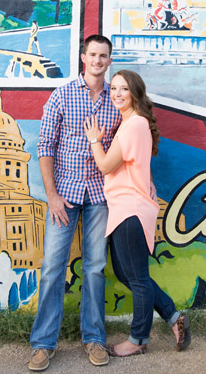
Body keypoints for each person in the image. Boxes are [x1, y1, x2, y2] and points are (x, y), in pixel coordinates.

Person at [28, 35, 122, 371]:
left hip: (100, 195)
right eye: (93, 54)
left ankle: (94, 338)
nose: (98, 60)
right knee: (53, 268)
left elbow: (126, 147)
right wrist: (52, 196)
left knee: (95, 269)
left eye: (104, 56)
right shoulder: (62, 96)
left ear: (110, 61)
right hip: (64, 196)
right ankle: (42, 344)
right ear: (83, 58)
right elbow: (45, 147)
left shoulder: (117, 99)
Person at [83, 69, 191, 357]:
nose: (117, 93)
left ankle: (138, 339)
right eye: (114, 88)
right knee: (123, 271)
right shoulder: (133, 124)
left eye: (124, 89)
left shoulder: (133, 126)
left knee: (138, 278)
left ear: (135, 93)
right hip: (126, 207)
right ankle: (173, 317)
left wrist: (94, 139)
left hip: (129, 209)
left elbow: (105, 165)